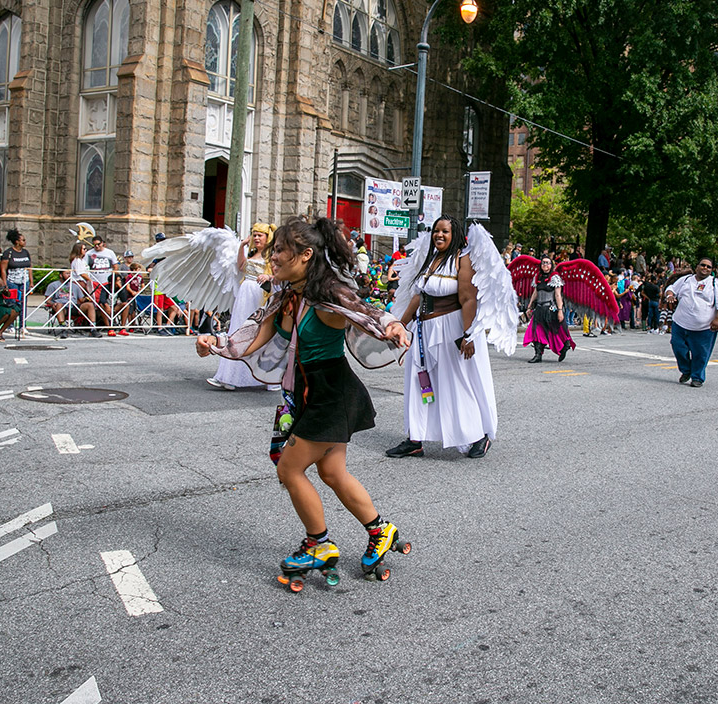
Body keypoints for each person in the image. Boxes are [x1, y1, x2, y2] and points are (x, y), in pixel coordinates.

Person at [195, 217, 411, 587]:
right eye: (274, 248)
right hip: (305, 393)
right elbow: (255, 332)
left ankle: (319, 544)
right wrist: (216, 344)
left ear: (306, 255)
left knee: (290, 470)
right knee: (331, 472)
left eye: (280, 250)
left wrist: (391, 325)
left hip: (331, 393)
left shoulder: (327, 294)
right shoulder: (286, 294)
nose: (272, 256)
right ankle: (380, 531)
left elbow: (364, 311)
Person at [385, 216, 513, 459]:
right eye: (436, 231)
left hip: (451, 328)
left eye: (445, 231)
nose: (439, 235)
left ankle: (477, 436)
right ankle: (415, 439)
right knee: (418, 382)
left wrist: (469, 334)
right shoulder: (430, 258)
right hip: (424, 329)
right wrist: (401, 324)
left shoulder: (462, 260)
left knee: (456, 382)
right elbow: (418, 295)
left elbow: (468, 299)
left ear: (455, 235)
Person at [207, 223, 275, 391]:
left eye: (260, 235)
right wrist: (242, 246)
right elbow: (241, 266)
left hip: (260, 296)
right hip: (245, 294)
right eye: (254, 234)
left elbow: (280, 275)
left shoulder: (272, 257)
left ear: (268, 237)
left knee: (260, 333)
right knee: (237, 331)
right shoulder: (251, 254)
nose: (257, 238)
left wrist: (269, 276)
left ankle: (269, 378)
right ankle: (229, 376)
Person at [663, 258, 718, 388]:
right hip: (680, 322)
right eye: (702, 265)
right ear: (697, 267)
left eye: (708, 267)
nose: (705, 268)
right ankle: (686, 370)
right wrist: (670, 295)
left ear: (712, 270)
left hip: (704, 327)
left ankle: (697, 377)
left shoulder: (716, 283)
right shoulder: (686, 279)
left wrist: (717, 318)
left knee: (700, 353)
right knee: (678, 346)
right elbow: (671, 288)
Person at [523, 255, 574, 363]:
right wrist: (529, 307)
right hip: (539, 309)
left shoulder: (555, 277)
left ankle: (565, 346)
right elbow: (535, 293)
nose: (545, 265)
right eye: (543, 263)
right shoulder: (537, 277)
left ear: (551, 265)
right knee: (536, 331)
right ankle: (538, 355)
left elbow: (558, 295)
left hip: (550, 309)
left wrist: (560, 311)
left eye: (547, 263)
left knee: (557, 330)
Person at [85, 235, 123, 335]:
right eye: (94, 245)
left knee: (108, 303)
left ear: (103, 243)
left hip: (107, 282)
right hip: (94, 282)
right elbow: (85, 267)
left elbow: (115, 266)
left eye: (98, 244)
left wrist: (114, 280)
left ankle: (111, 323)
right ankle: (96, 324)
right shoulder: (89, 253)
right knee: (97, 304)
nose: (97, 247)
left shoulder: (109, 252)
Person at [0, 229, 32, 335]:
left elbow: (29, 268)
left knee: (23, 303)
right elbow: (3, 269)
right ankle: (10, 325)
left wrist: (31, 282)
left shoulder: (25, 252)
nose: (25, 242)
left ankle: (23, 325)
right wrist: (5, 283)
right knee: (12, 303)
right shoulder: (8, 253)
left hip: (24, 281)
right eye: (23, 240)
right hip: (12, 281)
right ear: (17, 241)